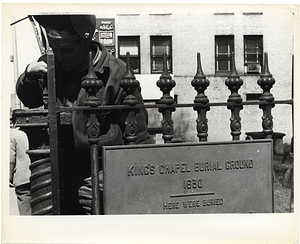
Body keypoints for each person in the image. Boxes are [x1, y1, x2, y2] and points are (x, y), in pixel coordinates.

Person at [16, 14, 149, 214]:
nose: (60, 56)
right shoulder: (49, 65)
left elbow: (138, 135)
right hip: (59, 167)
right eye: (55, 48)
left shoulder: (116, 72)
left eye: (67, 49)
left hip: (100, 168)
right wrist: (29, 75)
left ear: (86, 41)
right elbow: (30, 99)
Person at [10, 109, 32, 215]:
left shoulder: (13, 135)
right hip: (36, 175)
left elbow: (11, 159)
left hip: (21, 178)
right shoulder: (31, 131)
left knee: (25, 212)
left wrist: (9, 177)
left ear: (14, 121)